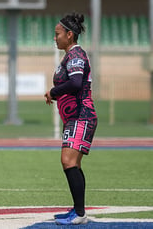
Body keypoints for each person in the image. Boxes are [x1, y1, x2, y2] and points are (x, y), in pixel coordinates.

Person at [44, 12, 97, 225]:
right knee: (73, 163)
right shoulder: (69, 56)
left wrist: (53, 92)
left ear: (69, 34)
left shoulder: (76, 56)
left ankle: (80, 214)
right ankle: (78, 210)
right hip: (74, 118)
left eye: (57, 34)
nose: (54, 37)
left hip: (81, 116)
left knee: (67, 161)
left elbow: (75, 84)